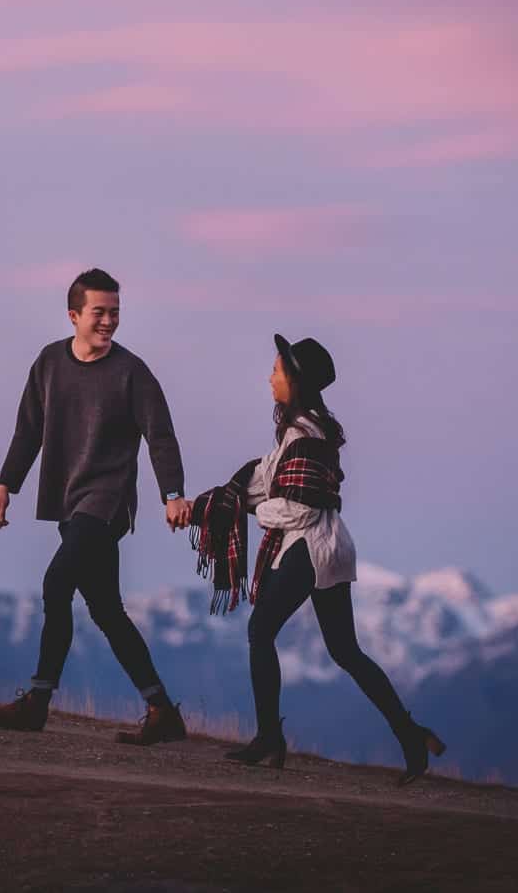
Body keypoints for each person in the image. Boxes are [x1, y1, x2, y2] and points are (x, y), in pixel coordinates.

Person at [187, 334, 446, 784]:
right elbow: (263, 478)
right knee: (345, 650)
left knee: (260, 630)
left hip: (310, 546)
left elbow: (298, 507)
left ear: (295, 381)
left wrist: (254, 511)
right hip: (328, 546)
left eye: (276, 370)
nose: (270, 377)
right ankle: (410, 735)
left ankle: (269, 737)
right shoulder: (301, 431)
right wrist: (202, 506)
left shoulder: (304, 435)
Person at [0, 267, 192, 745]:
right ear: (73, 314)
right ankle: (162, 710)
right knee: (105, 610)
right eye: (99, 312)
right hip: (66, 499)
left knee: (57, 583)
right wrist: (5, 485)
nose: (109, 322)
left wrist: (173, 494)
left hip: (107, 501)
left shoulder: (132, 372)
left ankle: (37, 701)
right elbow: (28, 431)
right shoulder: (48, 363)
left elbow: (160, 435)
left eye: (115, 313)